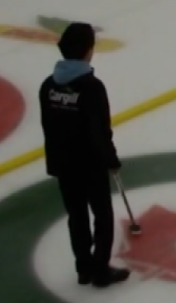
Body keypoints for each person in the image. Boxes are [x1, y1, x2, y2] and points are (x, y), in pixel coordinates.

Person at [39, 23, 130, 289]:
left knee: (76, 216)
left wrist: (55, 161)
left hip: (64, 165)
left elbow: (49, 127)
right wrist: (111, 161)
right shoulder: (91, 87)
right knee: (102, 216)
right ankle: (100, 270)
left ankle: (84, 267)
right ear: (88, 50)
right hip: (90, 164)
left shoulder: (48, 86)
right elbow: (100, 131)